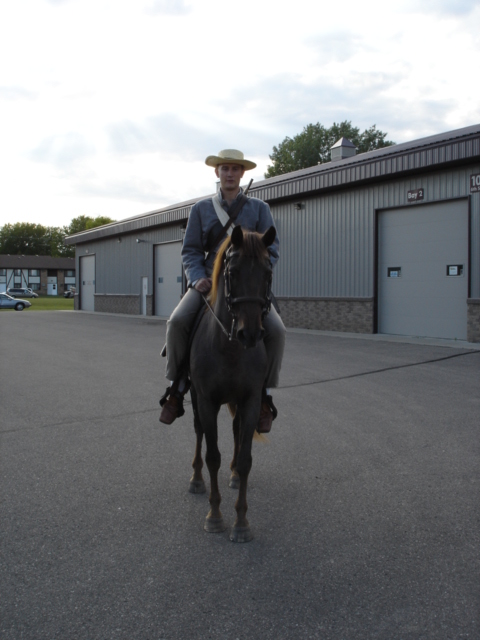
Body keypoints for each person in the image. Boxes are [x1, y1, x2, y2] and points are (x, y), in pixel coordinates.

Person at [160, 149, 286, 432]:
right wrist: (196, 278)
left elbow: (272, 250)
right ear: (217, 173)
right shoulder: (201, 209)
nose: (229, 173)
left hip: (246, 286)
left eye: (235, 169)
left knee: (277, 331)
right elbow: (191, 250)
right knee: (177, 322)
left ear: (242, 173)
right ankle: (176, 388)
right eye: (225, 169)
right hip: (208, 281)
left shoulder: (260, 209)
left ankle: (264, 394)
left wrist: (254, 273)